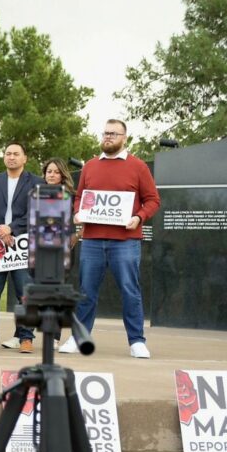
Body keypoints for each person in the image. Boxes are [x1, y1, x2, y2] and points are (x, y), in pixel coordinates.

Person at [59, 120, 160, 358]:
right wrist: (77, 212)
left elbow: (153, 200)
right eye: (105, 133)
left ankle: (136, 341)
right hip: (92, 239)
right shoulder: (91, 166)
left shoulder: (138, 166)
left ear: (125, 137)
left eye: (113, 134)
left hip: (125, 241)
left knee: (130, 290)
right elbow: (80, 197)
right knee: (86, 291)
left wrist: (139, 217)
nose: (108, 137)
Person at [0, 157, 77, 350]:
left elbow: (74, 224)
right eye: (49, 171)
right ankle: (21, 335)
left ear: (62, 175)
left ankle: (55, 337)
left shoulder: (69, 195)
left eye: (56, 172)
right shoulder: (36, 193)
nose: (51, 175)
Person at [0, 142, 44, 353]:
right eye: (8, 154)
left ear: (25, 158)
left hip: (21, 244)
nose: (12, 157)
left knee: (24, 293)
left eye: (16, 154)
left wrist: (11, 229)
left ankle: (26, 337)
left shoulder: (36, 182)